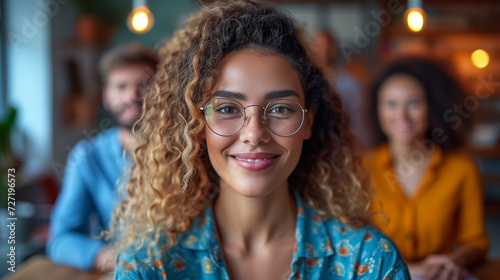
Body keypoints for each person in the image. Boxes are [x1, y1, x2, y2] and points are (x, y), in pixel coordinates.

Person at [110, 1, 410, 279]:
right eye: (227, 109)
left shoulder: (369, 263)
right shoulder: (149, 265)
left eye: (280, 109)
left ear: (308, 120)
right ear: (196, 123)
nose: (254, 134)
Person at [363, 56, 489, 279]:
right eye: (391, 104)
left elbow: (476, 241)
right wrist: (416, 271)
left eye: (413, 103)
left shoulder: (462, 168)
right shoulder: (360, 168)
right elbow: (353, 245)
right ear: (378, 110)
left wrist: (455, 260)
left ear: (432, 107)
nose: (401, 115)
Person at [47, 43, 158, 271]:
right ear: (106, 96)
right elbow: (61, 240)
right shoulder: (88, 157)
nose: (132, 95)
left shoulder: (187, 151)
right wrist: (117, 259)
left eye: (144, 84)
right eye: (120, 86)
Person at [311, 30, 366, 149]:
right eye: (318, 46)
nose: (323, 51)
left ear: (334, 50)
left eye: (327, 46)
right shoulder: (306, 82)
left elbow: (358, 119)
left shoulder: (350, 83)